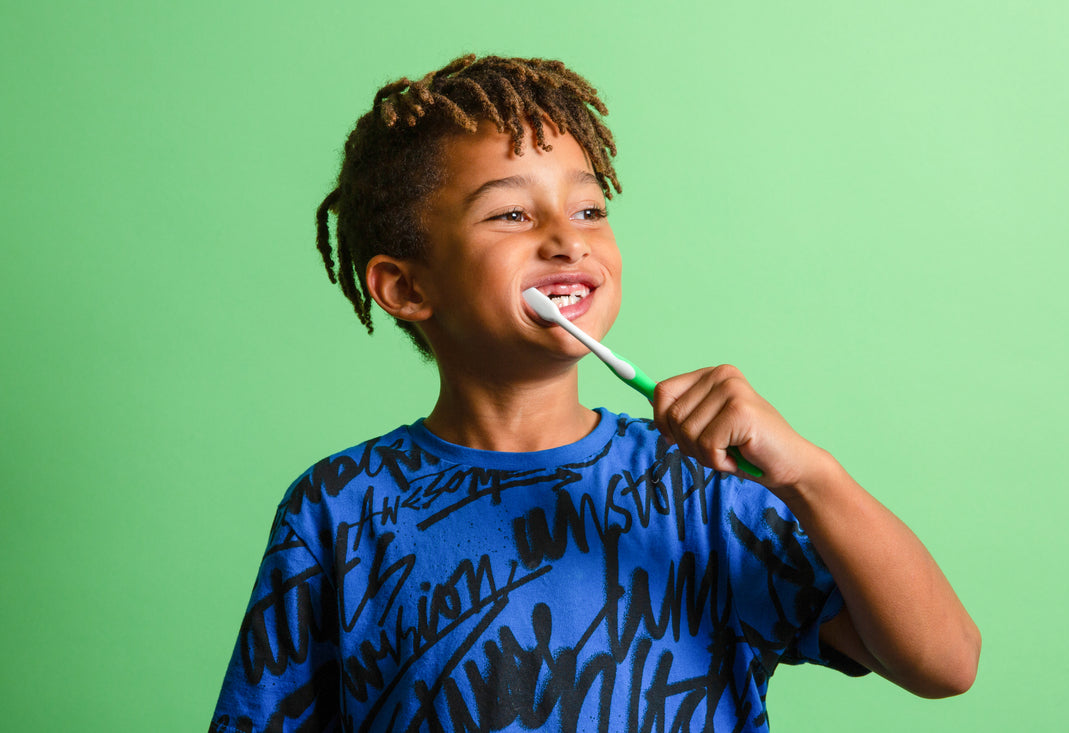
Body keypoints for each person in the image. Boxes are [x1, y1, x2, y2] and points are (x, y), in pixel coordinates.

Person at [209, 54, 980, 733]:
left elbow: (944, 661)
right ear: (406, 287)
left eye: (588, 209)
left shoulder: (703, 485)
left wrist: (811, 474)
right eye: (512, 212)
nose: (567, 238)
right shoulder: (338, 508)